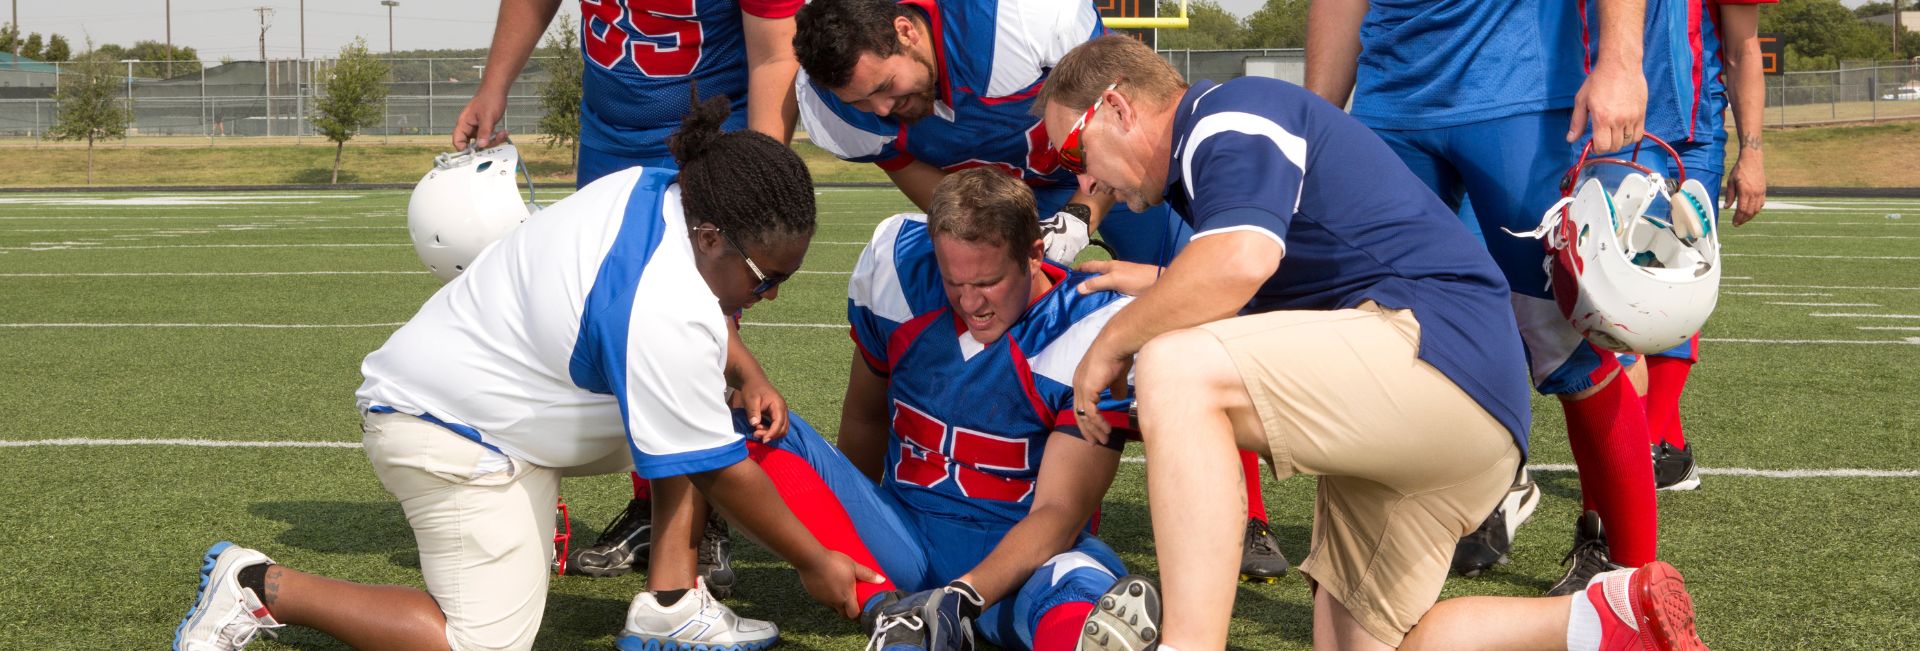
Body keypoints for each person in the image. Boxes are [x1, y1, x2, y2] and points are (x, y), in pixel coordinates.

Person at [1039, 36, 1711, 651]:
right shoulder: (1216, 155)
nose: (1086, 185)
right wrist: (1161, 282)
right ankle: (1600, 618)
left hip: (1438, 354)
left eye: (1076, 154)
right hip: (1460, 402)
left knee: (1174, 367)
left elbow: (1239, 262)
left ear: (1120, 108)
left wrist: (1113, 343)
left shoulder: (1224, 114)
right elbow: (1276, 277)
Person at [173, 98, 884, 651]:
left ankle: (670, 604)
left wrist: (746, 367)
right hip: (446, 427)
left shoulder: (667, 191)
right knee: (482, 641)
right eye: (765, 279)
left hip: (510, 394)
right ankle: (257, 584)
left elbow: (686, 344)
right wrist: (814, 559)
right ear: (710, 236)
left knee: (704, 404)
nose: (771, 294)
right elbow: (723, 467)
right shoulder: (662, 303)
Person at [791, 0, 1289, 582]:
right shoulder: (831, 101)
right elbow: (926, 184)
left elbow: (1116, 110)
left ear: (906, 31)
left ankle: (1246, 513)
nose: (881, 108)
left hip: (1099, 173)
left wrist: (1083, 213)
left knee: (1193, 315)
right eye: (862, 102)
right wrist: (994, 240)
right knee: (985, 318)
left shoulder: (1017, 18)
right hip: (988, 203)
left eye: (885, 86)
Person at [1304, 0, 1665, 591]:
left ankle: (1636, 588)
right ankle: (1360, 585)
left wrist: (1621, 60)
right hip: (1390, 99)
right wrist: (1318, 116)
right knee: (1371, 341)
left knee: (1567, 345)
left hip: (1518, 89)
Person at [451, 0, 807, 586]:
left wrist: (755, 173)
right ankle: (653, 507)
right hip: (611, 130)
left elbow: (774, 52)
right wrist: (494, 85)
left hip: (713, 123)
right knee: (618, 310)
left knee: (699, 312)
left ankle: (703, 519)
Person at [738, 168, 1147, 651]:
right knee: (745, 422)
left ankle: (955, 628)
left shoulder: (1090, 330)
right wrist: (846, 533)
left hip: (1016, 557)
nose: (971, 303)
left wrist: (963, 596)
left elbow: (1060, 511)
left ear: (1035, 255)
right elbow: (865, 418)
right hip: (903, 535)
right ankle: (891, 612)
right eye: (955, 282)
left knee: (1081, 584)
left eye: (989, 282)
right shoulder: (901, 273)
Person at [1614, 0, 1772, 497]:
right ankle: (1665, 447)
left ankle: (1649, 444)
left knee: (1676, 279)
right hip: (1604, 122)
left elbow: (1745, 49)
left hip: (1689, 136)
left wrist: (1752, 152)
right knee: (1604, 286)